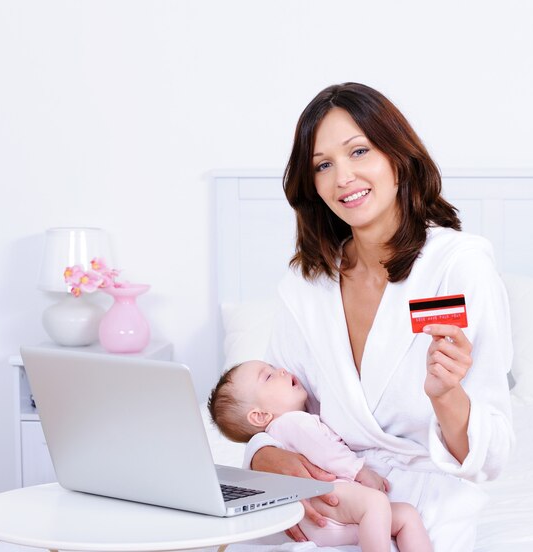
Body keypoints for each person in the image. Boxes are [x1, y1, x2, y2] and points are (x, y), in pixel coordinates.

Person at [243, 82, 514, 551]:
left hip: (424, 509)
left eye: (359, 151)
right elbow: (276, 414)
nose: (342, 176)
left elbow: (488, 458)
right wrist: (265, 457)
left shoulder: (457, 265)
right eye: (323, 165)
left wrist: (446, 395)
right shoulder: (304, 287)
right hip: (330, 501)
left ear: (398, 157)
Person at [208, 359, 433, 552]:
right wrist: (360, 470)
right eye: (268, 377)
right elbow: (328, 453)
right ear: (260, 416)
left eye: (273, 367)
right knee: (376, 503)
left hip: (328, 519)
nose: (282, 371)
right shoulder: (291, 422)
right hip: (326, 500)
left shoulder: (286, 429)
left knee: (405, 516)